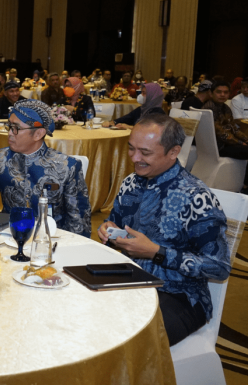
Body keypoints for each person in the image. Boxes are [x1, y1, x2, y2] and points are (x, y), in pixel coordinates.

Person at [98, 114, 230, 345]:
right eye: (131, 148)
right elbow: (115, 226)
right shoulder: (131, 183)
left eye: (145, 152)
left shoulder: (196, 197)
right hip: (130, 280)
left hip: (179, 295)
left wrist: (156, 252)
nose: (134, 158)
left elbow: (219, 267)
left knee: (125, 340)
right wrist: (108, 231)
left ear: (173, 152)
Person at [0, 99, 91, 236]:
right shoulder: (1, 158)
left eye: (16, 128)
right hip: (9, 235)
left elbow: (79, 222)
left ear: (38, 134)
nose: (10, 133)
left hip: (51, 238)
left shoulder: (67, 166)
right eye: (9, 126)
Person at [203, 80, 248, 162]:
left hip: (228, 143)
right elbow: (220, 133)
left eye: (226, 92)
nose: (222, 95)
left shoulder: (226, 108)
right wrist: (241, 143)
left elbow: (234, 129)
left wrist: (246, 139)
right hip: (218, 146)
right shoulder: (209, 109)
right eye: (219, 92)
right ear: (211, 93)